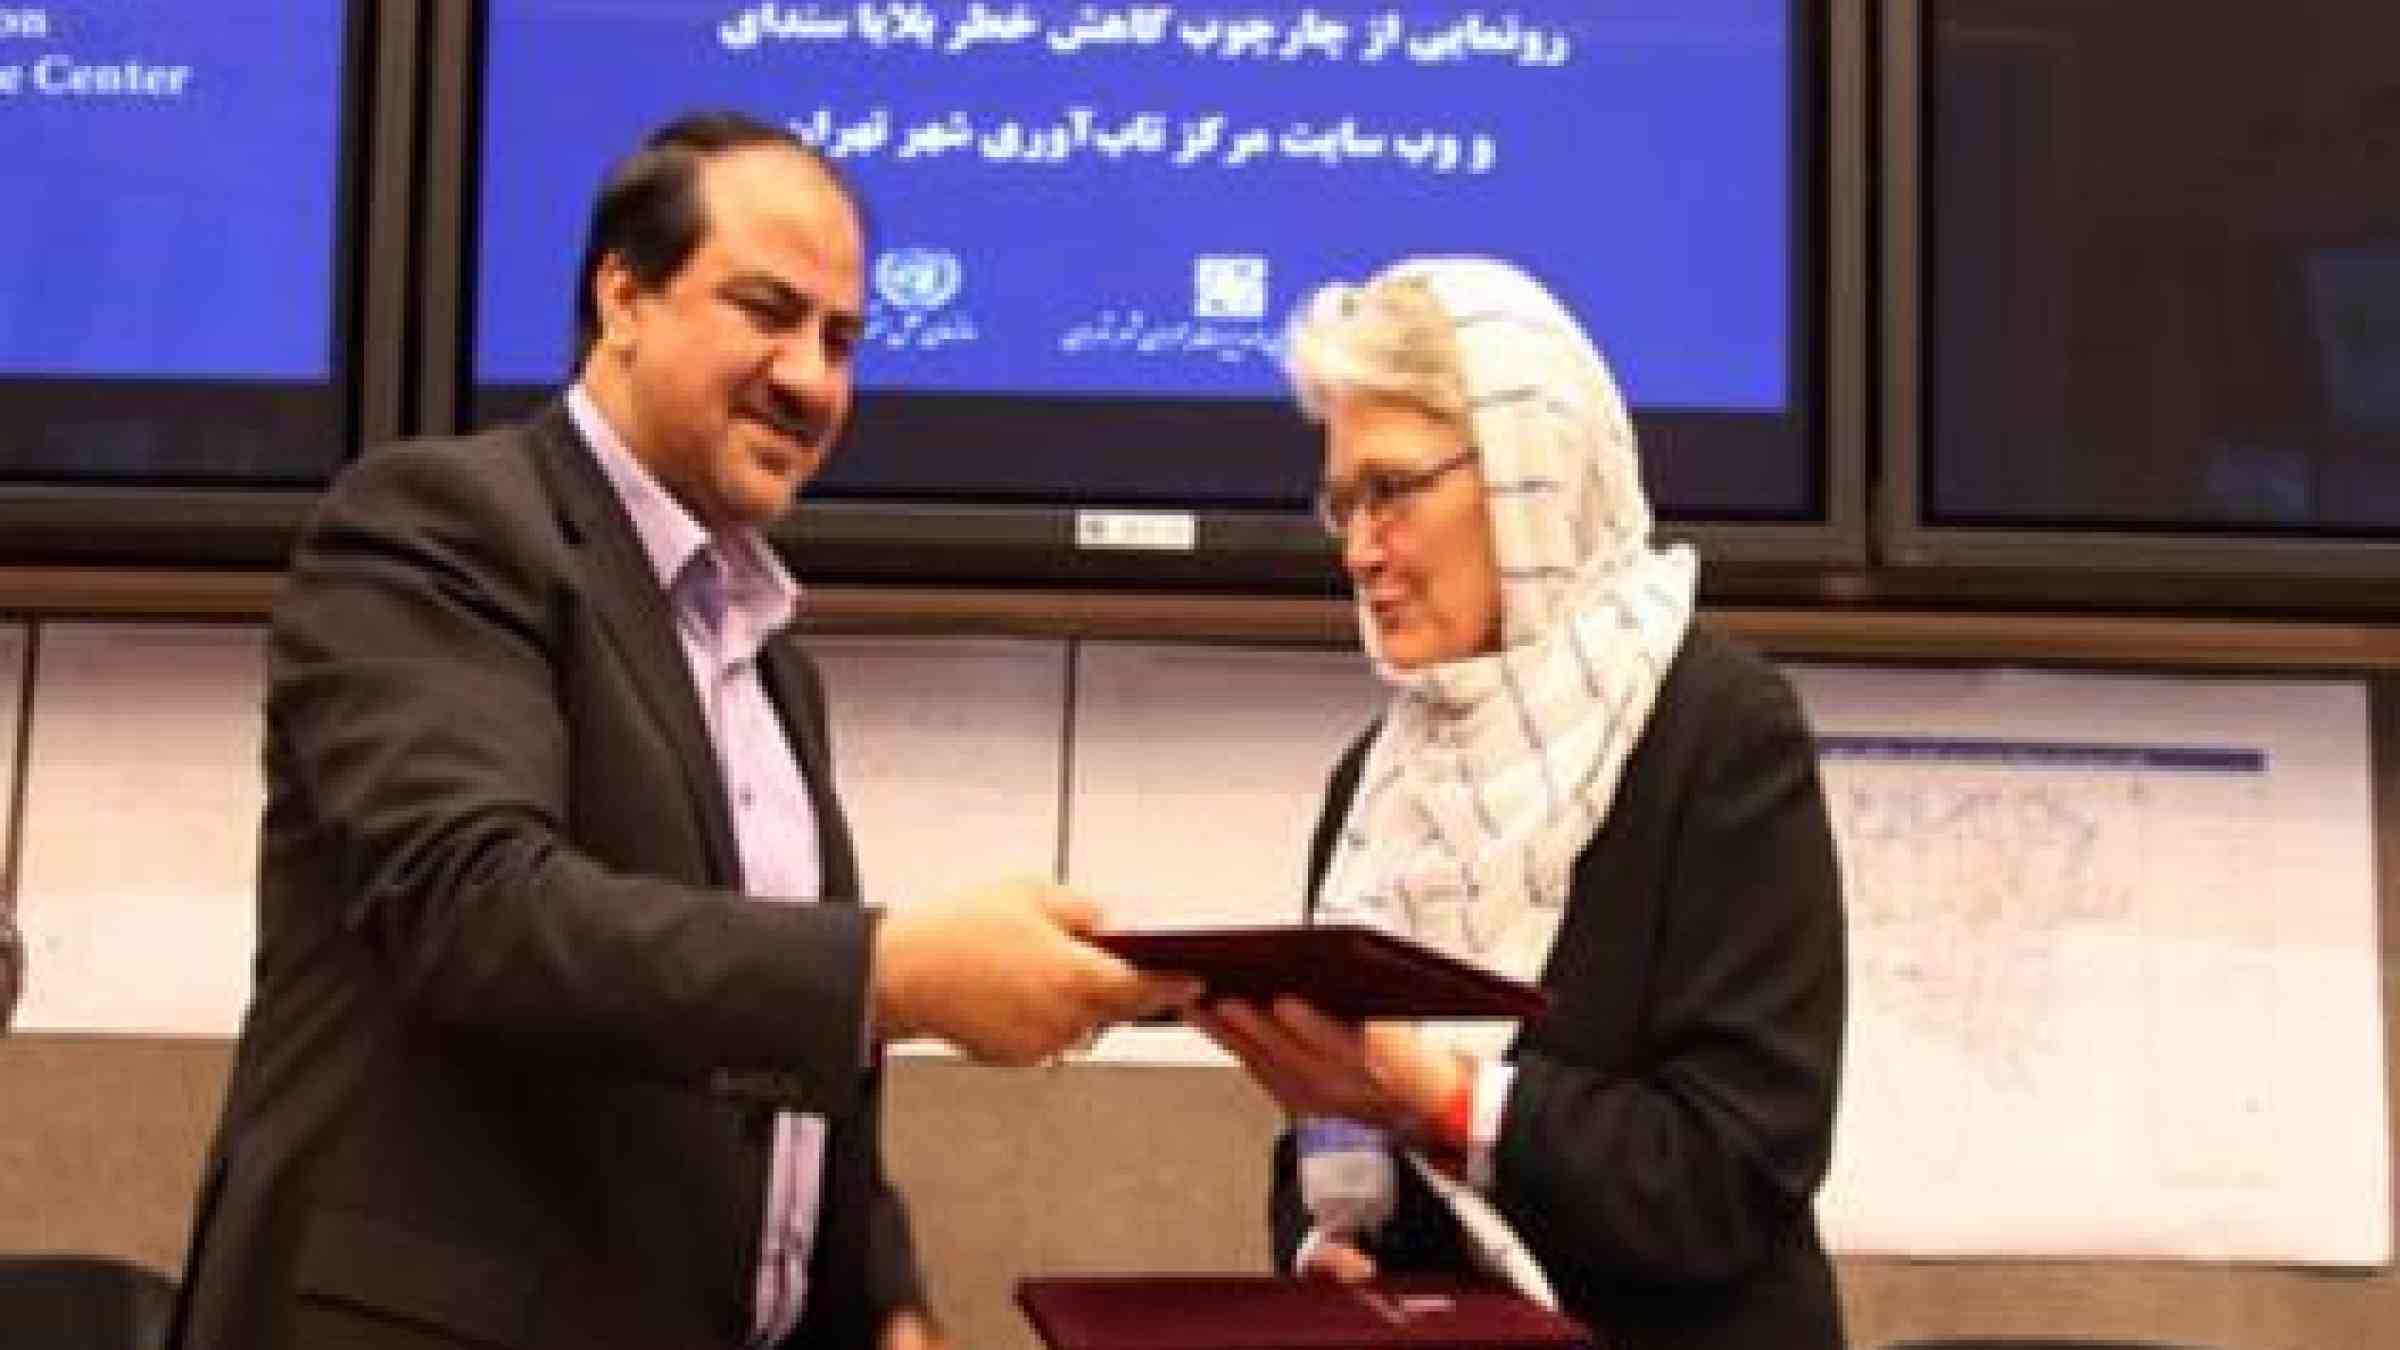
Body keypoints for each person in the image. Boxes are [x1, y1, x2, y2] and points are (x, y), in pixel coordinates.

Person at [168, 111, 1188, 1350]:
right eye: (767, 310)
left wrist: (881, 1293)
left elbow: (769, 1050)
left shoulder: (768, 660)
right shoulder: (440, 523)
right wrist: (893, 971)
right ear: (623, 299)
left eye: (842, 338)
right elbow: (480, 912)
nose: (810, 377)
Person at [1192, 258, 1847, 1349]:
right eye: (1342, 504)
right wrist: (1318, 1255)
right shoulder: (1375, 782)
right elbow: (1324, 1125)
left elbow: (1730, 1173)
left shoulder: (1718, 734)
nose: (1360, 552)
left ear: (1525, 471)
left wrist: (1444, 1100)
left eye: (1393, 492)